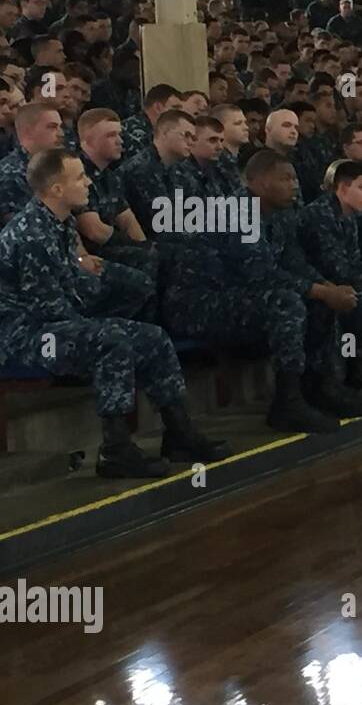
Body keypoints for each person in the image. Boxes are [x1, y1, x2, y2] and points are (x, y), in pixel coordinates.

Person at [0, 149, 227, 478]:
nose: (89, 182)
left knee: (153, 337)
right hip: (27, 335)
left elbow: (76, 283)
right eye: (79, 177)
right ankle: (115, 449)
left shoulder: (58, 225)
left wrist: (113, 284)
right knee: (112, 337)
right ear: (56, 189)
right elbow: (50, 308)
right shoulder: (33, 233)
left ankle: (179, 432)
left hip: (53, 323)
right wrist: (100, 315)